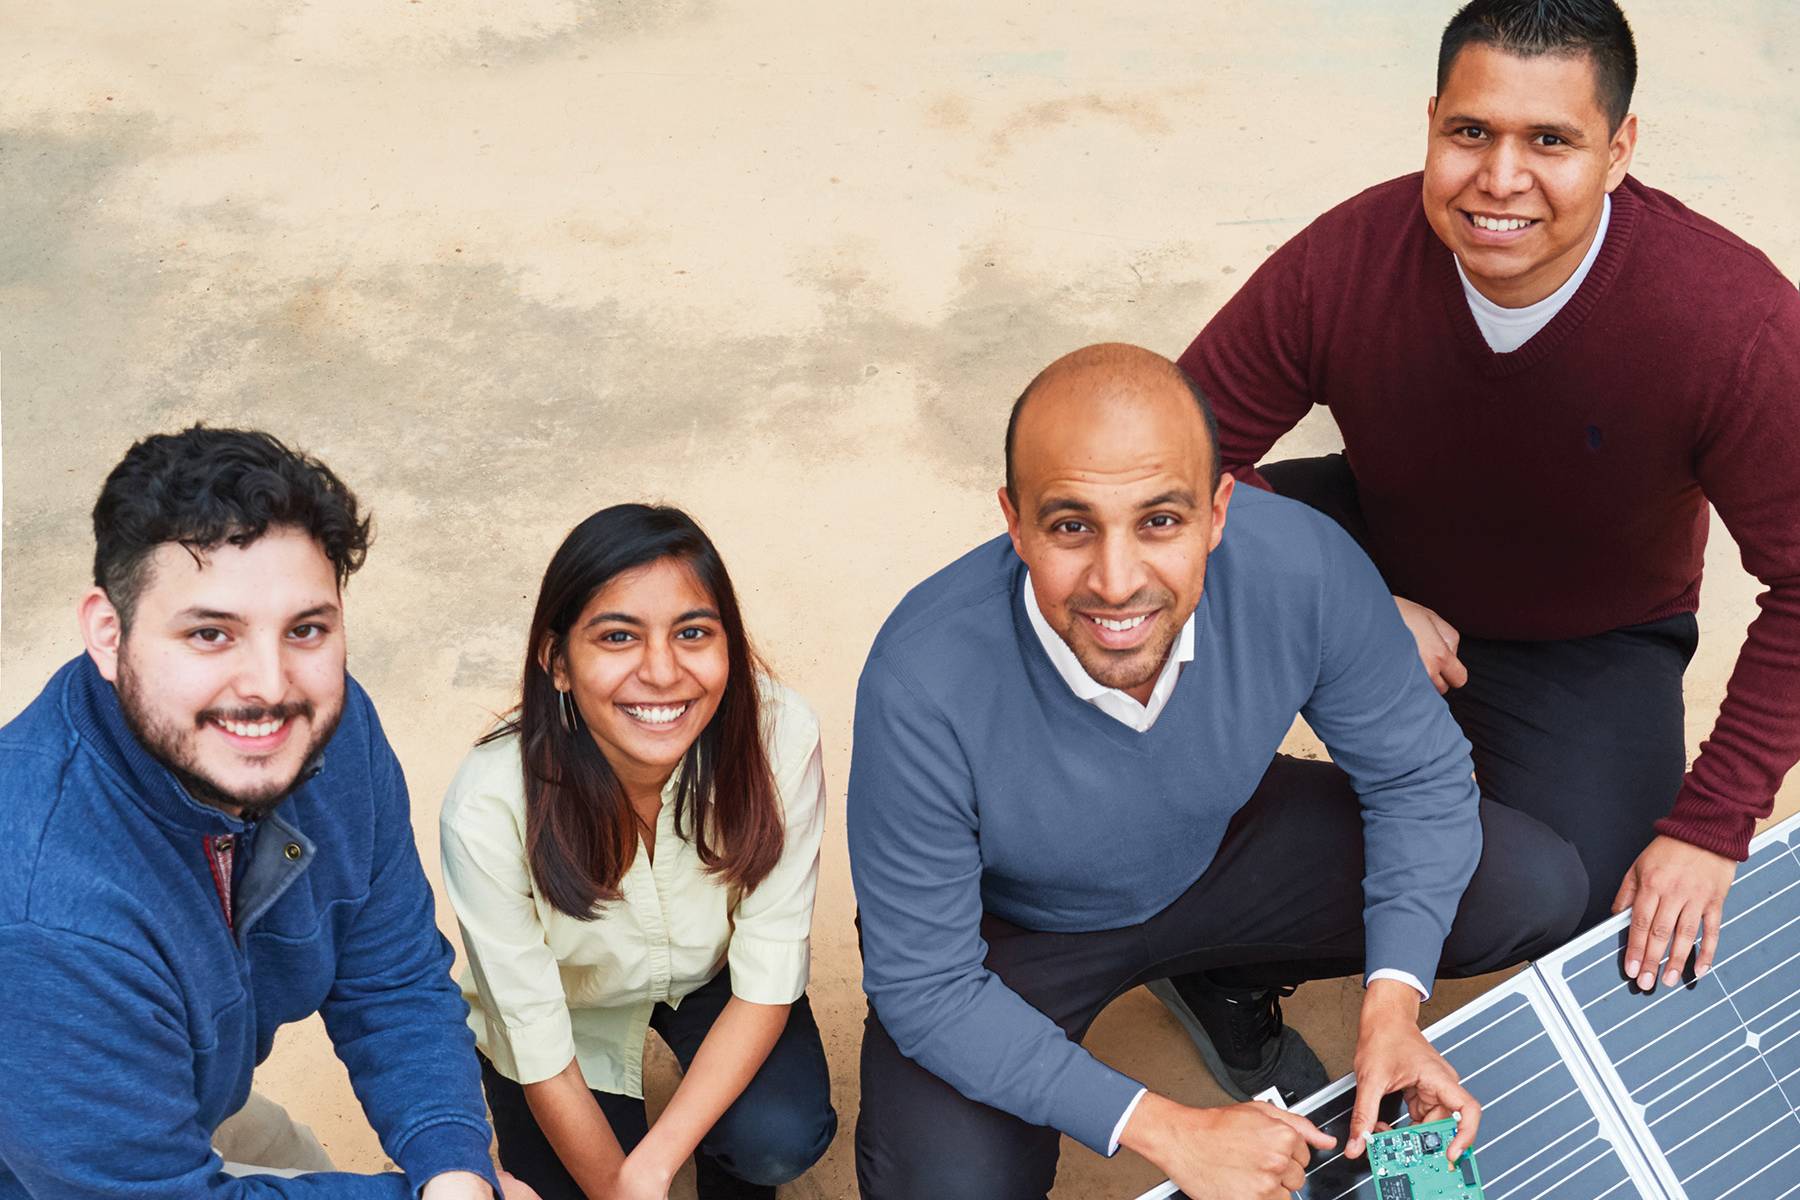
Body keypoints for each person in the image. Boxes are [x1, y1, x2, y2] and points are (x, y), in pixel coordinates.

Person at [1174, 0, 1800, 1029]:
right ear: (1432, 122)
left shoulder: (1729, 323)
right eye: (1472, 132)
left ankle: (1240, 924)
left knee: (1592, 896)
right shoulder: (1352, 258)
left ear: (1619, 150)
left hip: (1589, 632)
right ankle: (1202, 900)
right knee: (1128, 577)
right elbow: (1168, 460)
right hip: (1375, 540)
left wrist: (1713, 823)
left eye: (1550, 140)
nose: (1500, 179)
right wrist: (1355, 603)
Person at [847, 343, 1587, 1199]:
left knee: (1530, 884)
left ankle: (1221, 978)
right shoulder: (921, 675)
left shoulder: (1302, 565)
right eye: (1071, 525)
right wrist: (1170, 1129)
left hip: (1224, 845)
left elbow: (1417, 780)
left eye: (1160, 520)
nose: (1117, 582)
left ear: (1219, 511)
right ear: (1013, 523)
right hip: (1015, 928)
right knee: (941, 1190)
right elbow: (926, 985)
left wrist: (1392, 1001)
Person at [0, 426, 533, 1199]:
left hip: (167, 1082)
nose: (268, 687)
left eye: (305, 629)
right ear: (108, 635)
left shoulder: (329, 731)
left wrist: (454, 1167)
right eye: (210, 633)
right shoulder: (43, 915)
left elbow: (390, 974)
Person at [440, 504, 836, 1200]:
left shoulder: (781, 740)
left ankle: (727, 1171)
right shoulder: (488, 807)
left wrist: (654, 1166)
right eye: (618, 636)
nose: (662, 672)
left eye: (693, 632)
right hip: (569, 1009)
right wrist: (617, 1189)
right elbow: (538, 1047)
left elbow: (766, 977)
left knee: (772, 1141)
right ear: (557, 661)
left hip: (719, 979)